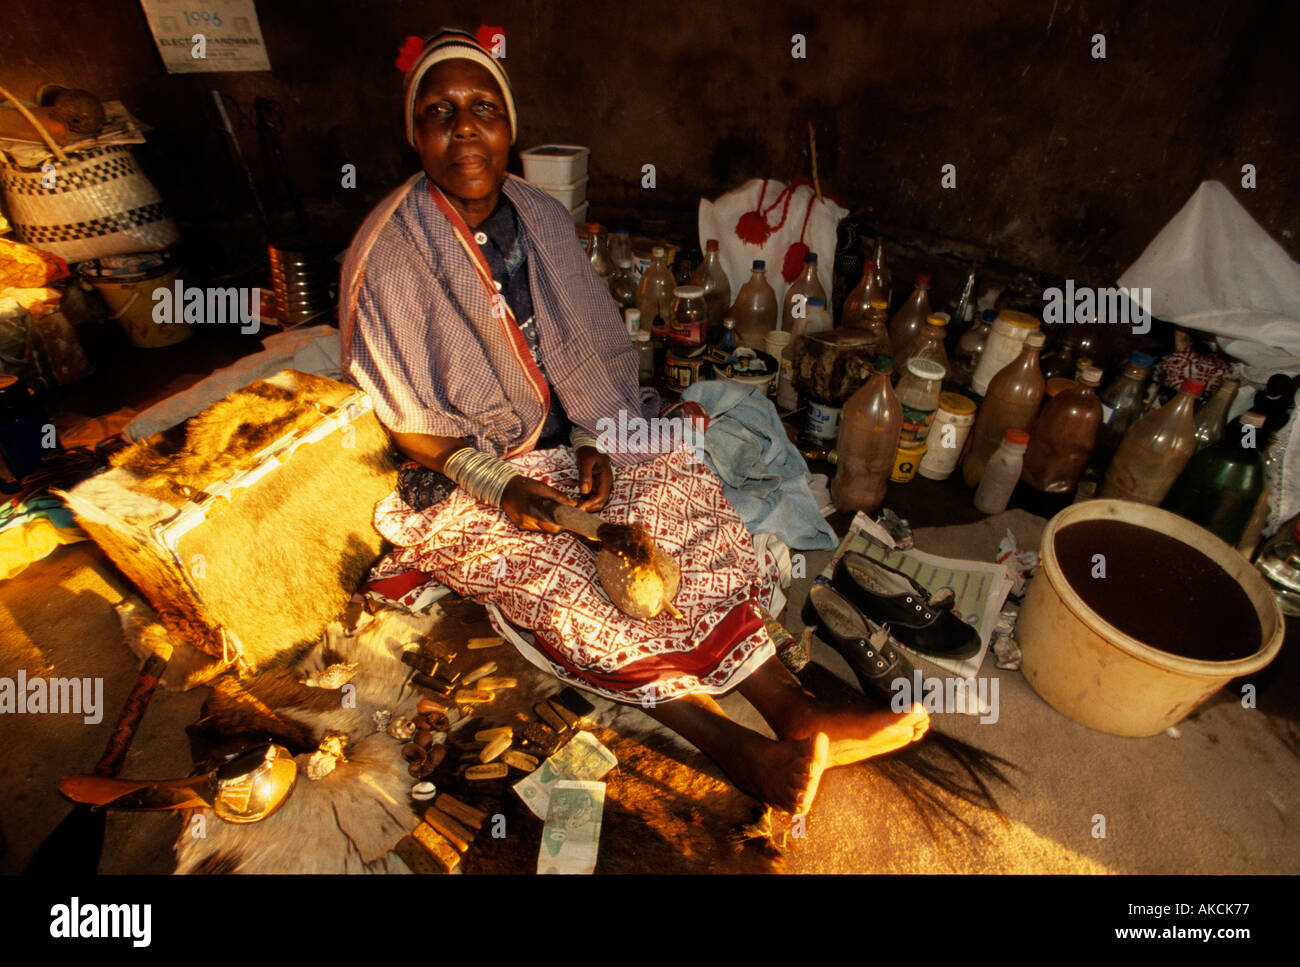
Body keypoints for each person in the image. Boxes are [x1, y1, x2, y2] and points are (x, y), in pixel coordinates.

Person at [340, 29, 928, 815]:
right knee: (568, 587)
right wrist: (503, 484)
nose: (466, 129)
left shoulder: (542, 218)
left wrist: (594, 443)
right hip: (473, 468)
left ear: (509, 125)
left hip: (581, 435)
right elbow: (410, 417)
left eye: (483, 108)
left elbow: (590, 354)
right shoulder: (388, 250)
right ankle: (734, 746)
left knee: (678, 495)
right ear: (415, 134)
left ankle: (792, 708)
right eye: (441, 113)